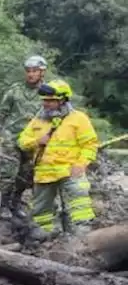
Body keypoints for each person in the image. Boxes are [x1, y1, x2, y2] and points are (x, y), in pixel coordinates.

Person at [18, 80, 99, 239]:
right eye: (44, 100)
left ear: (62, 100)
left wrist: (81, 164)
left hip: (70, 172)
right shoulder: (38, 120)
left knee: (78, 208)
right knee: (42, 213)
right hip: (44, 174)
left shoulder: (78, 119)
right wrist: (36, 141)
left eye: (50, 100)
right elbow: (21, 142)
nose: (46, 104)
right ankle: (44, 241)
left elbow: (90, 144)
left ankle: (83, 241)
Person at [0, 56, 49, 220]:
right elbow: (1, 114)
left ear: (42, 72)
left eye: (34, 71)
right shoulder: (15, 91)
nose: (30, 74)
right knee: (8, 173)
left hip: (34, 141)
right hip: (11, 137)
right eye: (28, 71)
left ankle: (16, 203)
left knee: (26, 175)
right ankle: (3, 206)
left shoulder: (47, 93)